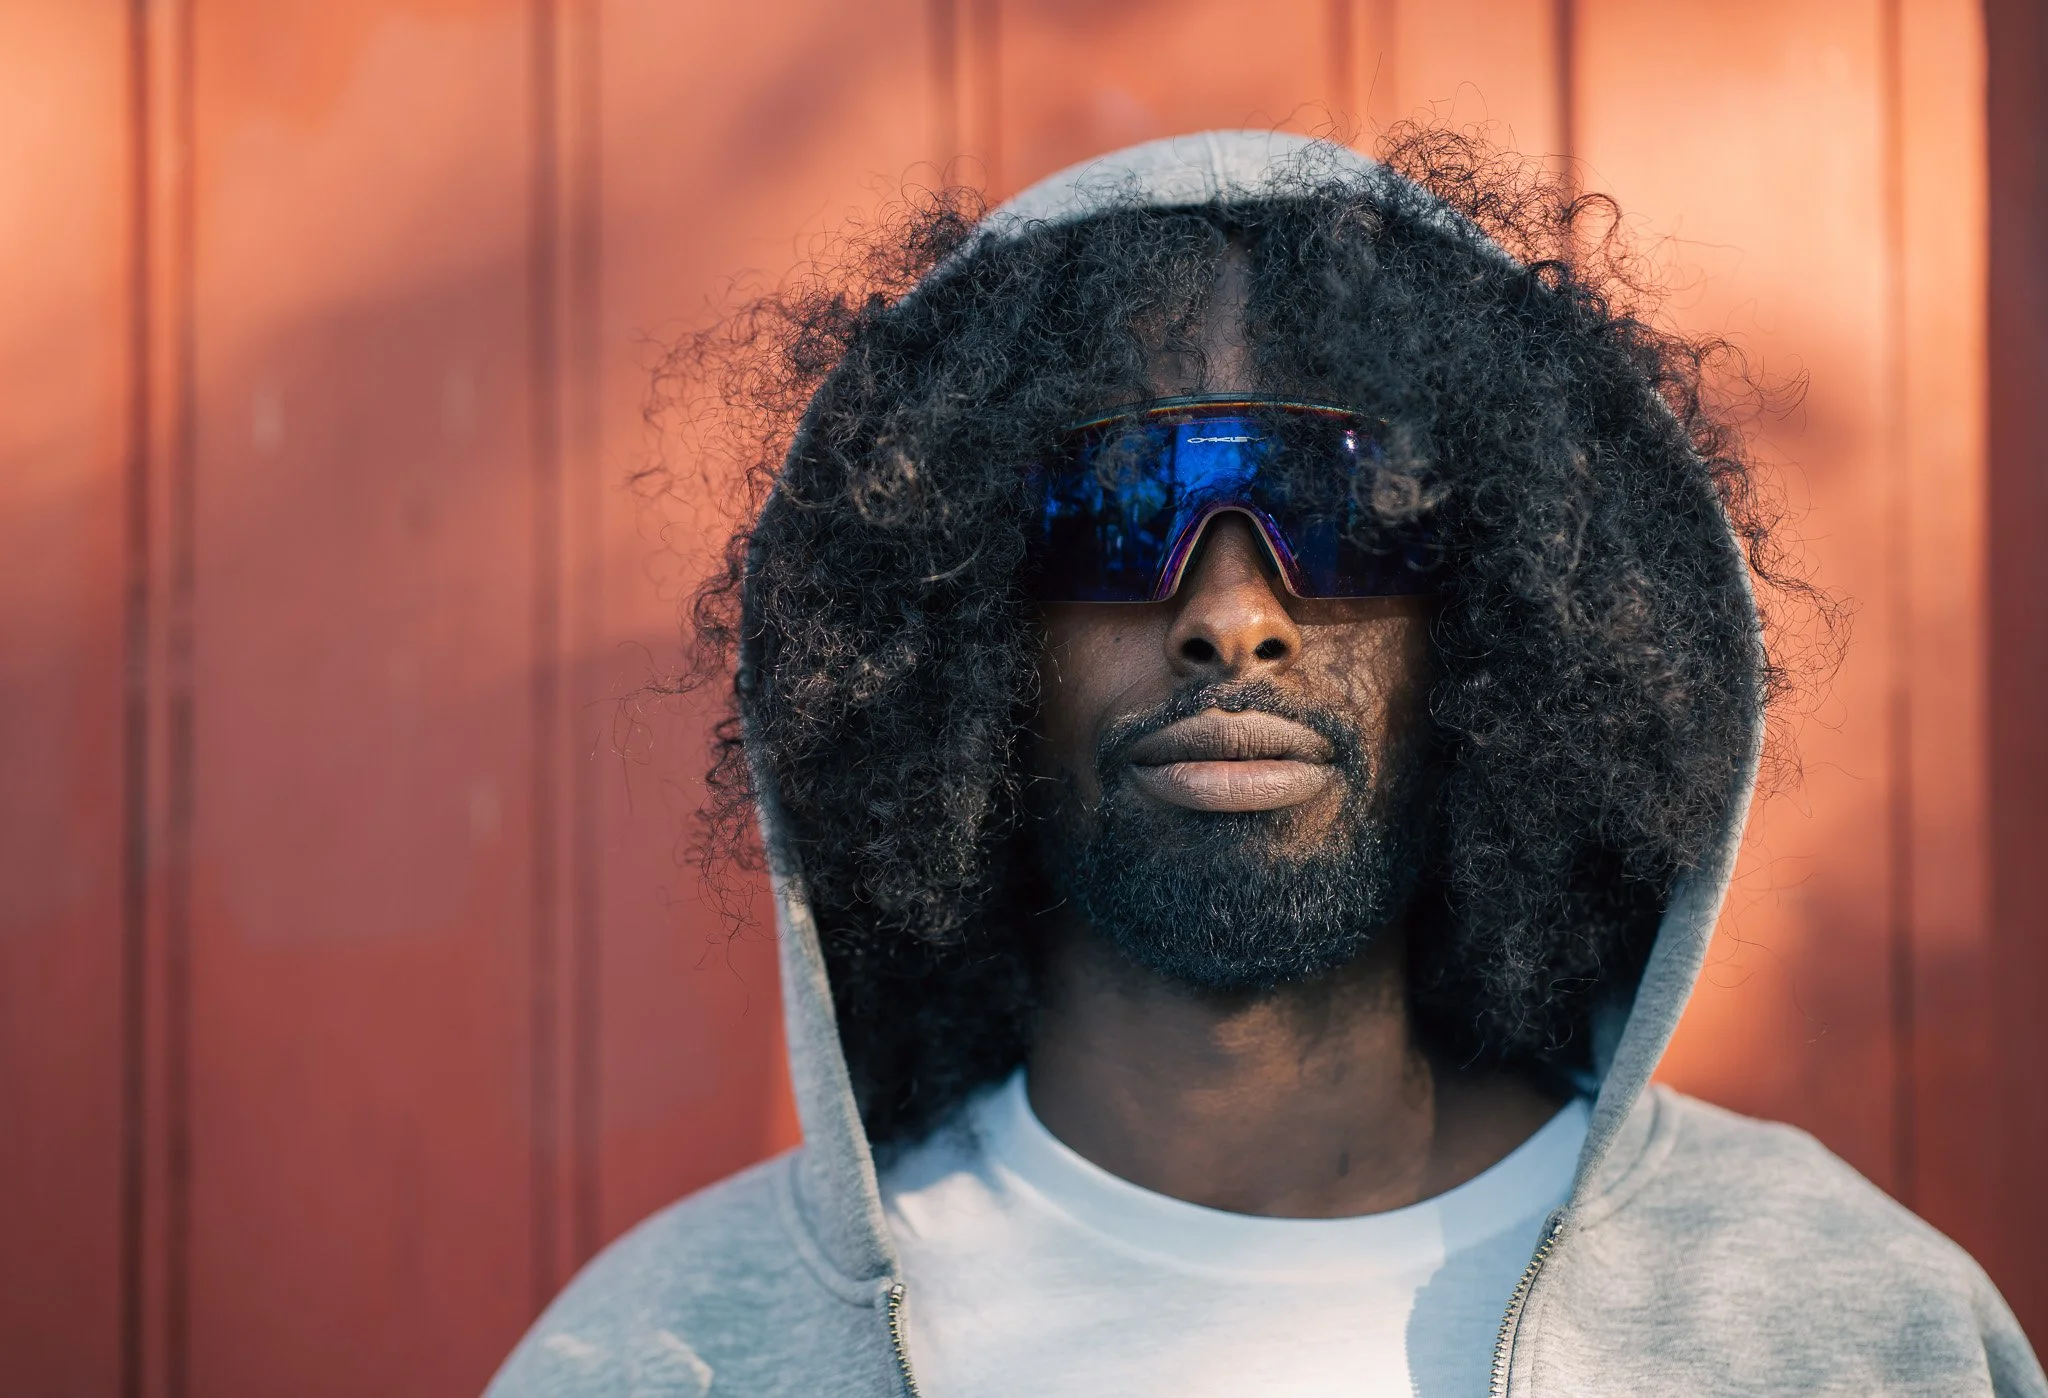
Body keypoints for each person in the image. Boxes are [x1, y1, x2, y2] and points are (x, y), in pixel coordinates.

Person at [488, 131, 2045, 1397]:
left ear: (1499, 606)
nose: (1233, 617)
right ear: (957, 615)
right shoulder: (660, 1357)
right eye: (1113, 503)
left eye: (1349, 506)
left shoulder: (1841, 1335)